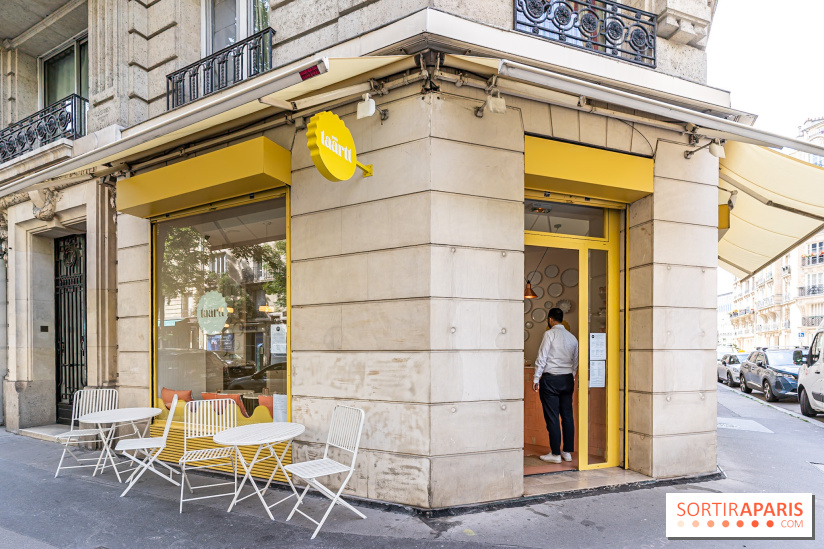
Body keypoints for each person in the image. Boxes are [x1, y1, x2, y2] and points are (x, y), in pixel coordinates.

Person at [532, 308, 578, 463]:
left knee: (552, 417)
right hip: (567, 380)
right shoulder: (572, 338)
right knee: (567, 416)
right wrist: (570, 377)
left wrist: (536, 378)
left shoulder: (549, 334)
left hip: (550, 380)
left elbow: (542, 357)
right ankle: (567, 452)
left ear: (550, 319)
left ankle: (555, 454)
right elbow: (575, 362)